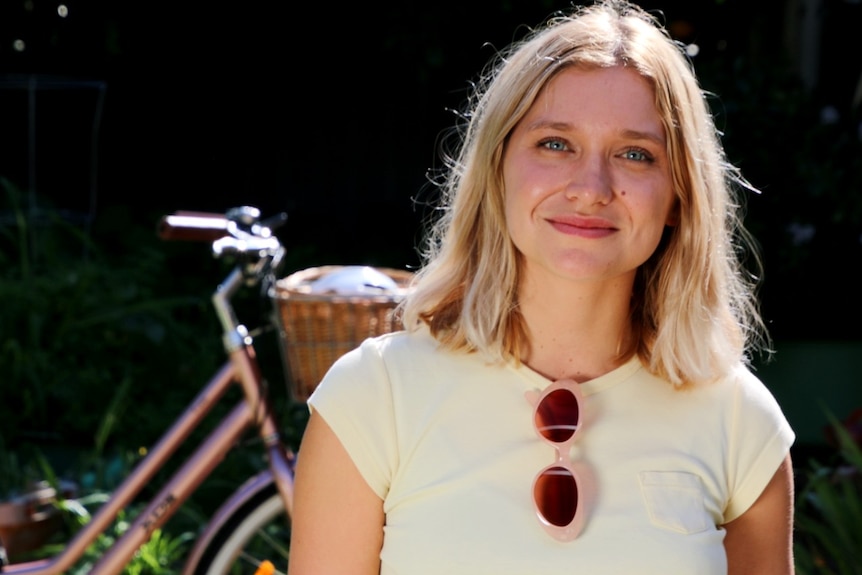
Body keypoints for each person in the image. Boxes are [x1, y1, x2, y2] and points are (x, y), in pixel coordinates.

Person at [287, 0, 796, 573]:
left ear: (679, 195)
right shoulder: (373, 398)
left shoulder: (739, 420)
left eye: (635, 154)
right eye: (556, 143)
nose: (591, 187)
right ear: (497, 167)